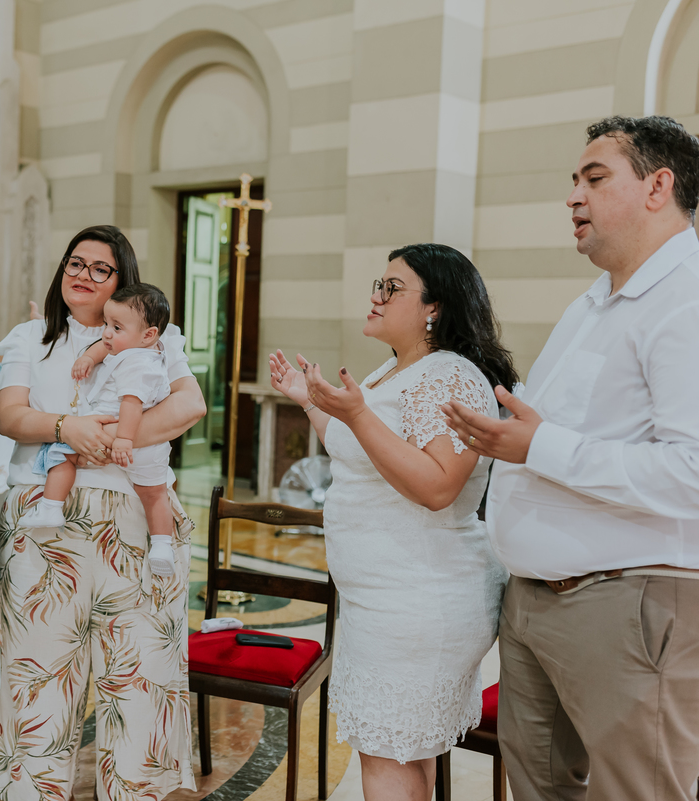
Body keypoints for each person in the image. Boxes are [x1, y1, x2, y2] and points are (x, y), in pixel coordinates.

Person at [443, 116, 699, 800]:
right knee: (540, 788)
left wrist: (538, 444)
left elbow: (691, 474)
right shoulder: (592, 303)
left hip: (625, 603)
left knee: (636, 789)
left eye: (594, 178)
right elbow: (555, 421)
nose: (573, 197)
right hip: (535, 601)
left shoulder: (685, 301)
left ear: (658, 186)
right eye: (573, 181)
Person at [270, 243, 516, 801]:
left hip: (419, 598)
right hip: (385, 600)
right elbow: (363, 453)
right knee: (401, 755)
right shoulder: (396, 370)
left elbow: (437, 484)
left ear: (435, 307)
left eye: (392, 287)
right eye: (377, 285)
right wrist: (310, 404)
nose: (375, 296)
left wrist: (354, 411)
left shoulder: (448, 376)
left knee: (389, 760)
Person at [0, 225, 205, 800]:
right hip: (45, 525)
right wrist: (69, 428)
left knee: (141, 686)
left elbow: (191, 404)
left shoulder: (160, 339)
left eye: (100, 268)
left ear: (122, 280)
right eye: (75, 263)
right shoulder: (30, 337)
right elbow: (12, 417)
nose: (82, 275)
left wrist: (103, 439)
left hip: (137, 521)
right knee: (40, 685)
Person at [20, 283, 177, 578]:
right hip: (153, 448)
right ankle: (162, 545)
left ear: (148, 334)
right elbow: (105, 348)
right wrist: (89, 358)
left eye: (116, 328)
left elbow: (131, 403)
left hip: (115, 434)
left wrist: (124, 440)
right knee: (156, 495)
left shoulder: (134, 365)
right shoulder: (150, 352)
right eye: (106, 323)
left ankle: (51, 506)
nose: (106, 333)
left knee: (60, 453)